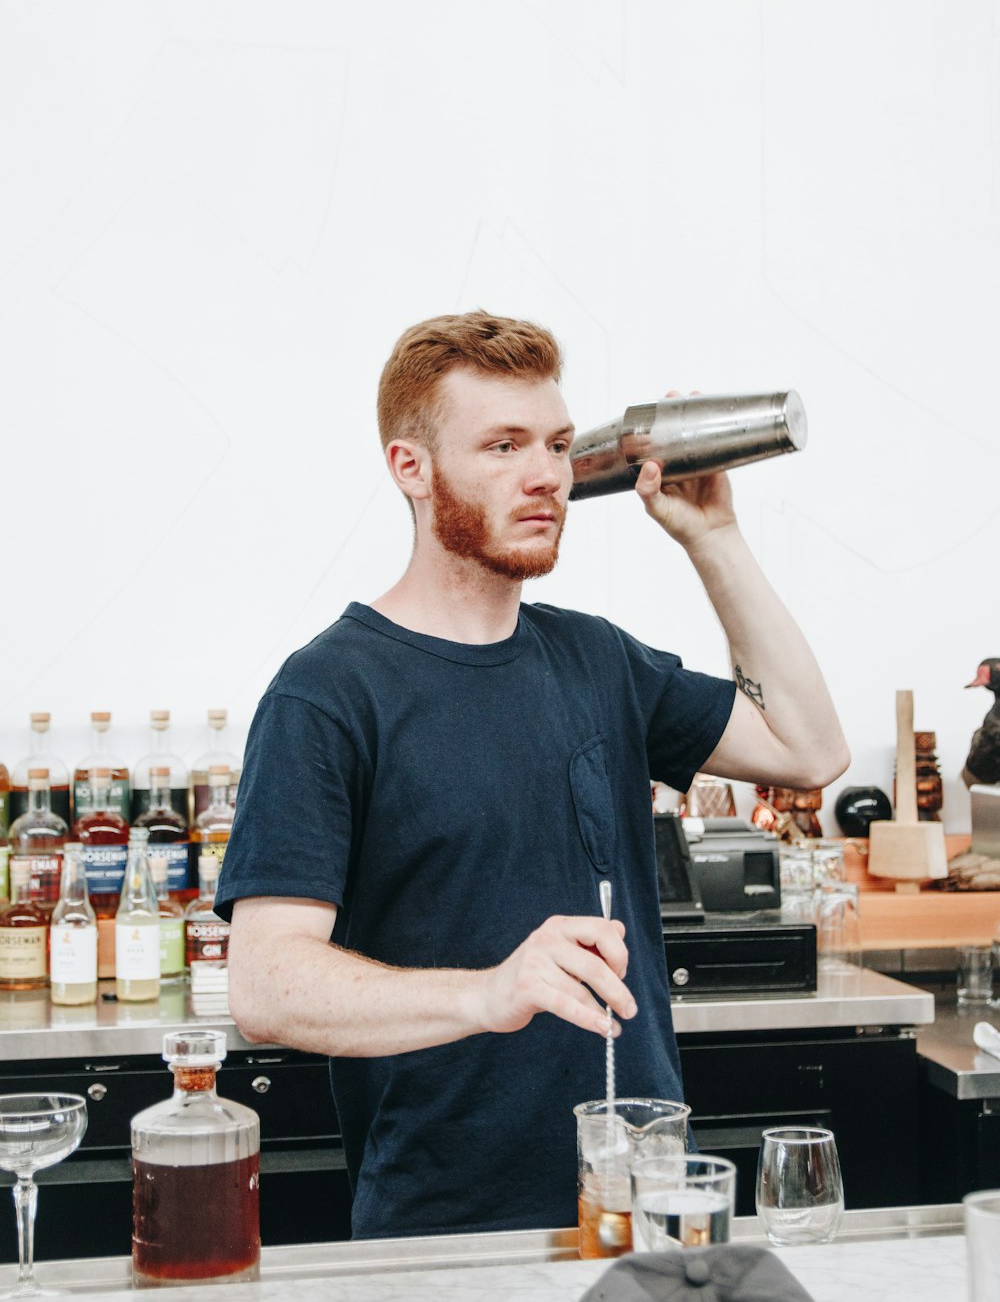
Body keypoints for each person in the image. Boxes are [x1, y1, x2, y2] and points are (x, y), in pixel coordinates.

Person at [217, 311, 849, 1241]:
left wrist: (713, 538)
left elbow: (808, 750)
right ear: (411, 468)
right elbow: (266, 987)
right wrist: (487, 992)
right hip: (445, 1235)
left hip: (639, 1209)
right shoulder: (329, 693)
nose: (546, 473)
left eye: (556, 443)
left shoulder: (597, 661)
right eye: (503, 445)